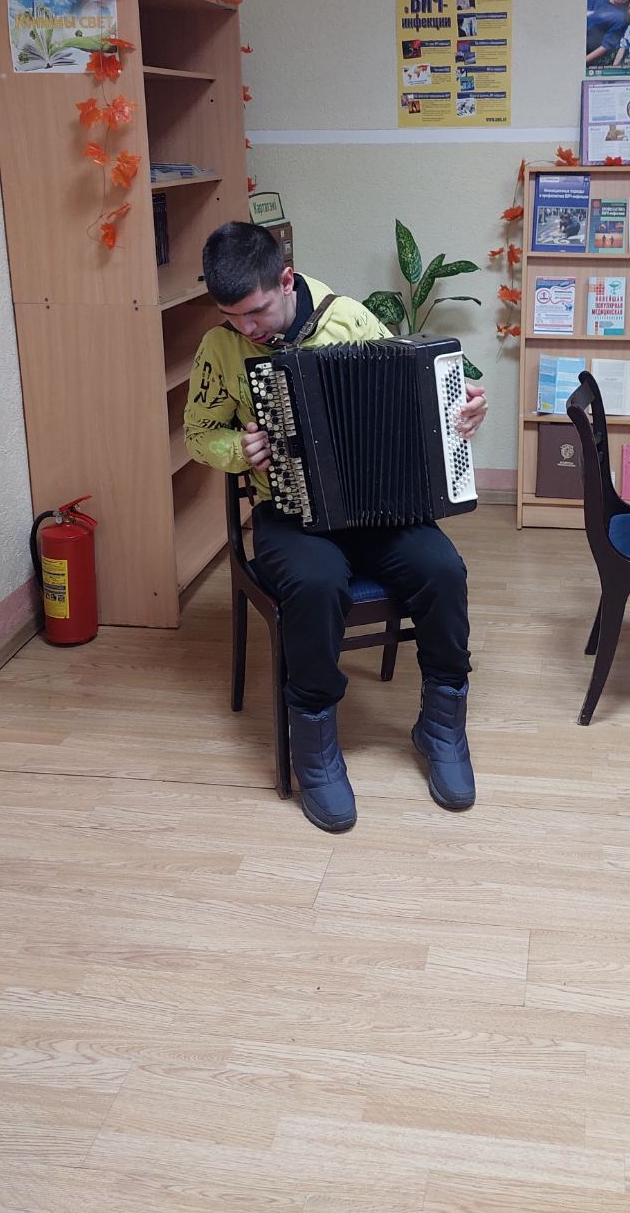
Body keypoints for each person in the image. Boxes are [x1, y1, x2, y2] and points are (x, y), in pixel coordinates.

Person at [184, 222, 487, 834]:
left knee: (442, 569)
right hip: (288, 513)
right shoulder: (220, 349)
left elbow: (413, 405)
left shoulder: (348, 319)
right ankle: (316, 746)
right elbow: (198, 433)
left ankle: (441, 726)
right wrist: (239, 450)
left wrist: (461, 413)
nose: (246, 328)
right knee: (317, 584)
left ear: (285, 280)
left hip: (377, 510)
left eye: (255, 311)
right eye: (231, 315)